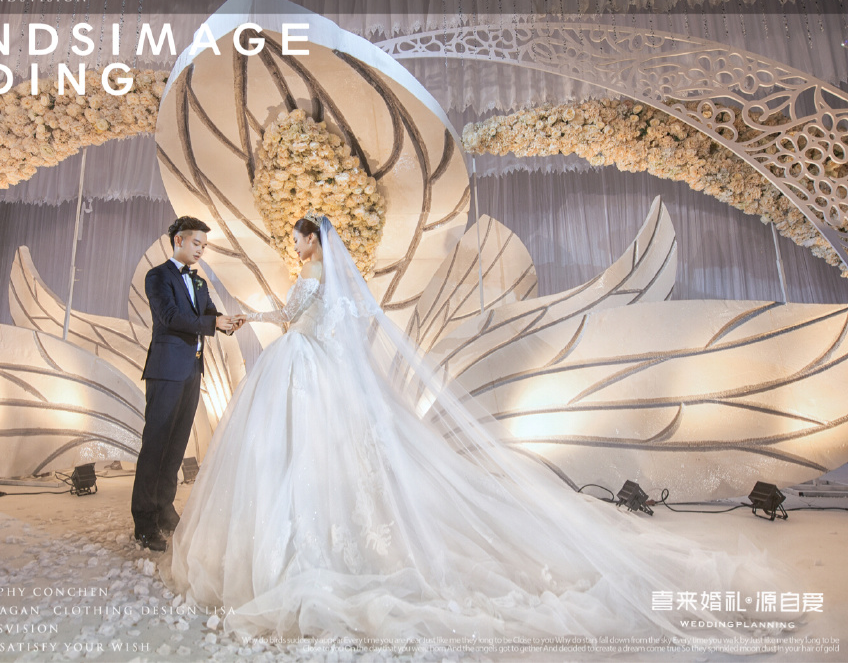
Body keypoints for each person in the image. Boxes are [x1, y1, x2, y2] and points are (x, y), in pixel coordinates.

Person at [168, 211, 793, 647]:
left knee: (295, 453)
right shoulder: (338, 285)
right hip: (323, 370)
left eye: (300, 238)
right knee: (334, 455)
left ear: (312, 241)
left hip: (303, 367)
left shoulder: (308, 279)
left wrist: (244, 317)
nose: (298, 245)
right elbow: (337, 326)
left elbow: (289, 318)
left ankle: (302, 540)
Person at [131, 216, 240, 551]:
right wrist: (212, 322)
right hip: (166, 370)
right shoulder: (157, 276)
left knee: (177, 444)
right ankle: (144, 522)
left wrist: (227, 323)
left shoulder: (200, 282)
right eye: (196, 243)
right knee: (155, 445)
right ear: (179, 240)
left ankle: (164, 508)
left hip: (192, 371)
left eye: (204, 246)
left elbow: (210, 315)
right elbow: (170, 317)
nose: (201, 251)